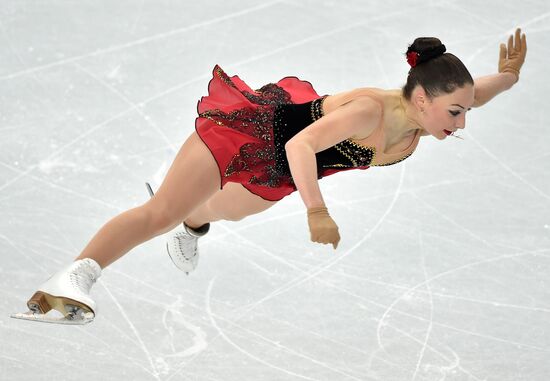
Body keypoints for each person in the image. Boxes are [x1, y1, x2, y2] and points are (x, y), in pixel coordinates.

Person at [11, 28, 527, 324]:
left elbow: (476, 90)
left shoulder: (424, 117)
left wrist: (506, 77)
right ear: (421, 99)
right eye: (455, 112)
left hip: (279, 175)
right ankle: (76, 275)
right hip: (254, 132)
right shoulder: (369, 113)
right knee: (159, 212)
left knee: (208, 212)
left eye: (463, 111)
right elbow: (302, 144)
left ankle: (190, 225)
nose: (462, 122)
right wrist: (317, 211)